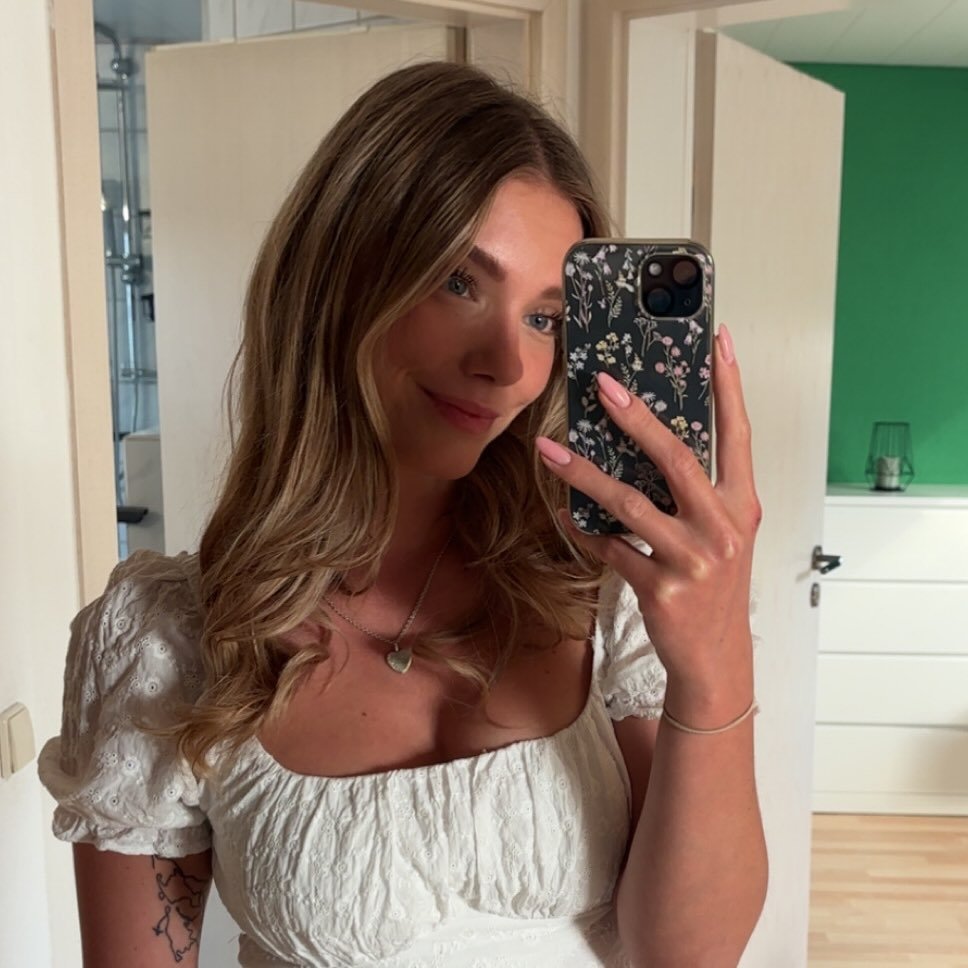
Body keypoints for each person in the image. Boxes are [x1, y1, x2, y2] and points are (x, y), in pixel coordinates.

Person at [39, 61, 768, 967]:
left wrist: (714, 664)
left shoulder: (612, 592)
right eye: (460, 282)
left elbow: (691, 956)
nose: (507, 366)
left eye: (546, 319)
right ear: (339, 278)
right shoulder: (169, 641)